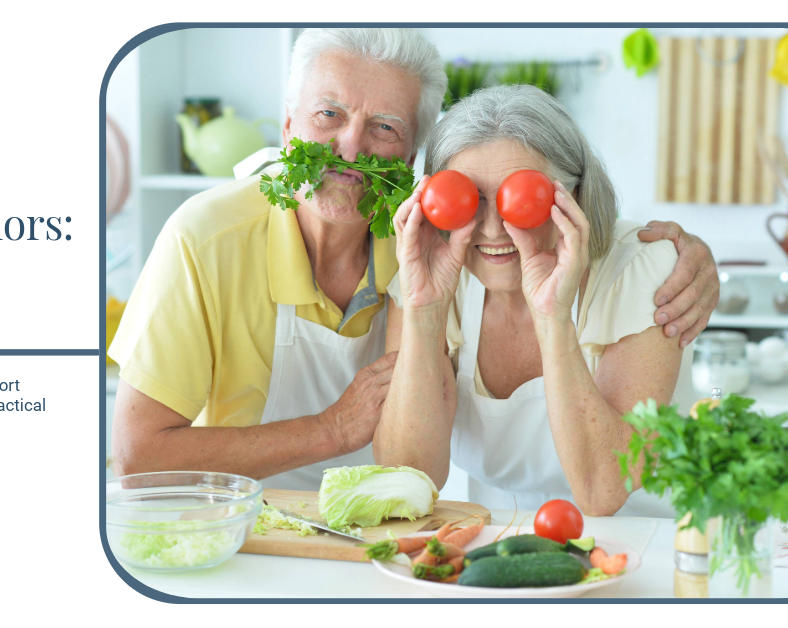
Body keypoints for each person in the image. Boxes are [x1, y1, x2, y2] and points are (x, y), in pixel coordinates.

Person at [108, 28, 719, 492]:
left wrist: (691, 256)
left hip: (400, 530)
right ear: (288, 124)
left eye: (385, 127)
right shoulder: (207, 238)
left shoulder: (429, 237)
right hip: (241, 521)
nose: (351, 146)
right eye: (328, 115)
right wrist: (334, 426)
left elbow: (603, 483)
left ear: (410, 160)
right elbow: (136, 455)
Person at [375, 84, 692, 517]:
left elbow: (604, 490)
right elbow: (405, 479)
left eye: (521, 200)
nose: (491, 229)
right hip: (502, 549)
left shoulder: (640, 271)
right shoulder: (431, 272)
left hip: (653, 546)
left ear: (573, 197)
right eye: (466, 199)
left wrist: (554, 317)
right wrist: (423, 311)